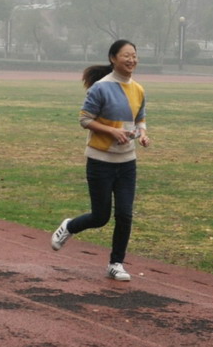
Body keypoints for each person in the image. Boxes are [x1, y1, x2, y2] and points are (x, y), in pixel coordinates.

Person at [51, 39, 151, 282]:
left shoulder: (138, 89)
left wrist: (143, 134)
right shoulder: (100, 88)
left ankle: (116, 263)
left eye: (134, 55)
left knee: (125, 215)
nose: (132, 60)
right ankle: (70, 226)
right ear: (113, 58)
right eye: (126, 55)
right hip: (100, 161)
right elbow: (85, 119)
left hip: (127, 162)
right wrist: (112, 132)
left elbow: (140, 119)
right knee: (100, 217)